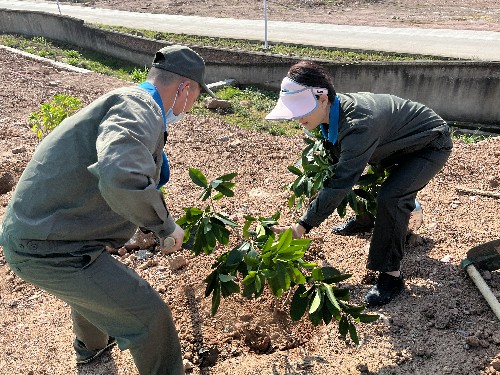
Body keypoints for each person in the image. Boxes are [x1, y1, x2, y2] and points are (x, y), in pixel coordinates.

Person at [0, 45, 216, 374]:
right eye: (197, 96)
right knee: (149, 317)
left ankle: (91, 350)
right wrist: (164, 226)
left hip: (48, 233)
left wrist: (148, 221)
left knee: (96, 286)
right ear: (184, 88)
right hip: (47, 246)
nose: (193, 106)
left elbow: (132, 174)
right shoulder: (140, 108)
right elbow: (120, 174)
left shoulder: (132, 101)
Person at [266, 60, 452, 307]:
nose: (297, 117)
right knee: (358, 173)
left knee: (392, 197)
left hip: (429, 143)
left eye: (301, 110)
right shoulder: (332, 111)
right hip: (393, 143)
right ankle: (366, 221)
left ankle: (391, 276)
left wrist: (301, 227)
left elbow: (341, 181)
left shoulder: (357, 125)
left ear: (323, 99)